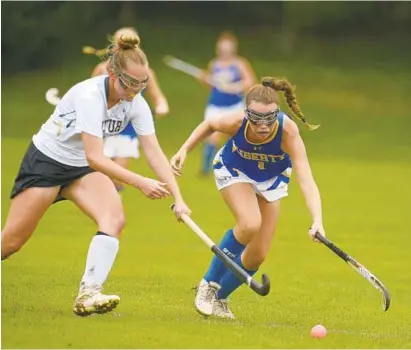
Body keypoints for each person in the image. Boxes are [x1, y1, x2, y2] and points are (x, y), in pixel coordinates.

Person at [2, 33, 190, 317]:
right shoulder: (91, 95)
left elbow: (153, 152)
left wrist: (178, 198)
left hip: (82, 168)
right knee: (11, 243)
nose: (136, 90)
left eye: (143, 84)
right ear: (113, 73)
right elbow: (96, 156)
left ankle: (88, 293)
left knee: (114, 219)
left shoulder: (136, 103)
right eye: (129, 83)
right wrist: (140, 182)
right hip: (48, 162)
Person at [170, 76, 323, 319]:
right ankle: (208, 285)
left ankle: (220, 299)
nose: (263, 125)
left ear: (278, 113)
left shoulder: (288, 131)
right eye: (256, 118)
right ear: (247, 113)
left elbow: (306, 178)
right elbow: (209, 124)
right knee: (250, 223)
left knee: (257, 255)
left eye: (270, 118)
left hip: (271, 180)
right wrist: (184, 149)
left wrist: (317, 220)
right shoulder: (236, 122)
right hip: (235, 170)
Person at [89, 27, 170, 191]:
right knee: (102, 173)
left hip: (127, 128)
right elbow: (89, 94)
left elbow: (157, 95)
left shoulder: (146, 72)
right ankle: (107, 206)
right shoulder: (101, 69)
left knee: (118, 173)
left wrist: (162, 106)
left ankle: (111, 204)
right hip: (105, 126)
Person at [198, 31, 257, 176]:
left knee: (236, 136)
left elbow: (250, 82)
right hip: (215, 105)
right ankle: (205, 169)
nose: (224, 50)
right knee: (212, 135)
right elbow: (212, 85)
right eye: (222, 47)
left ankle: (239, 166)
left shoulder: (240, 64)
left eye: (227, 47)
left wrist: (235, 87)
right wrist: (205, 79)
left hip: (234, 106)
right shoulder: (214, 64)